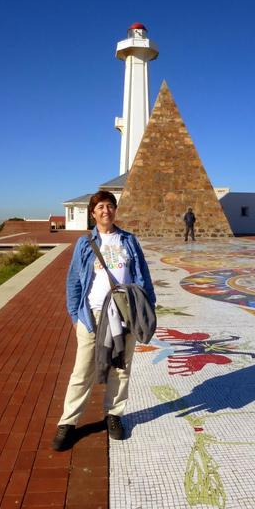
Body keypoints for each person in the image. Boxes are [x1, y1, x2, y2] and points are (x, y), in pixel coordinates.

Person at [52, 190, 156, 451]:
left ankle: (114, 415)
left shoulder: (128, 240)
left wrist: (148, 310)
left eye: (110, 206)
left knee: (121, 367)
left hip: (126, 314)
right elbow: (74, 281)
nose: (105, 211)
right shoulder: (85, 244)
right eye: (100, 207)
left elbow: (143, 275)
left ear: (115, 210)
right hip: (92, 314)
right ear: (92, 213)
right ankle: (68, 423)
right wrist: (75, 315)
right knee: (83, 370)